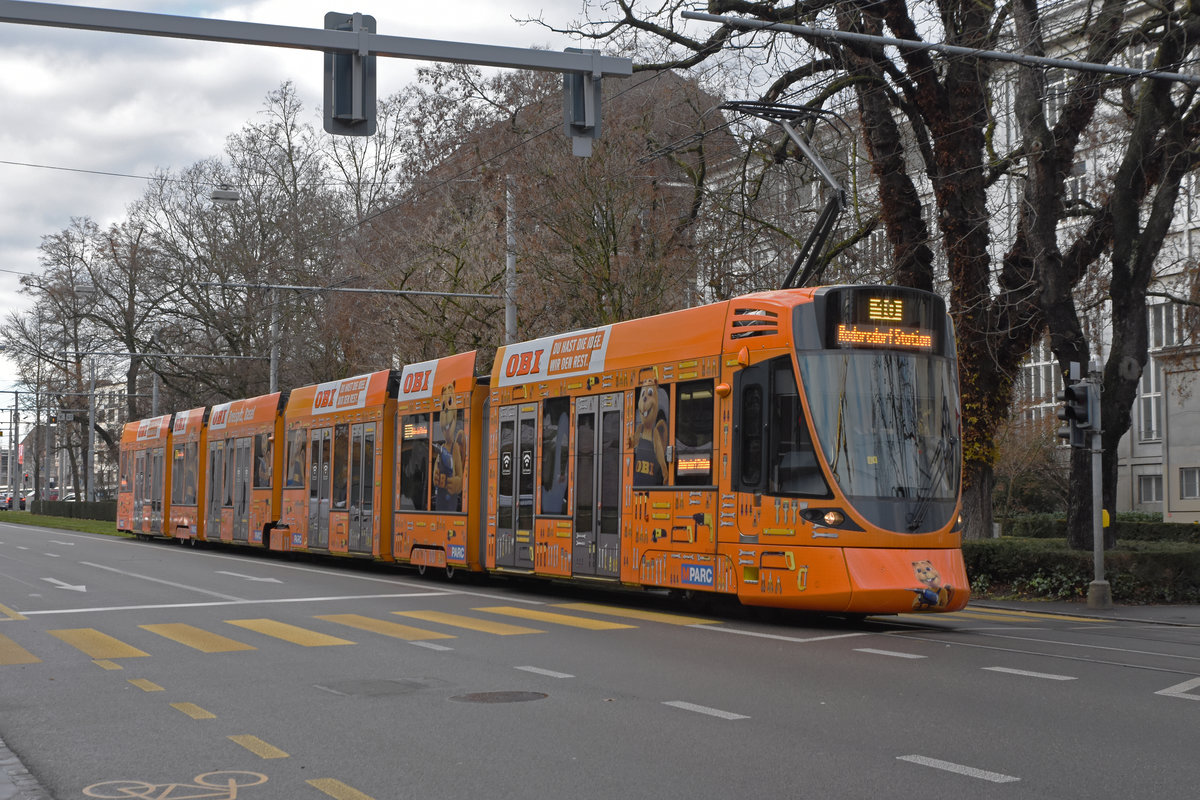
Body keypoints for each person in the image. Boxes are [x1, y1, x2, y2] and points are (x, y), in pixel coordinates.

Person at [630, 368, 669, 486]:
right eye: (643, 395)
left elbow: (660, 455)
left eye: (649, 393)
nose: (645, 398)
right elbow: (633, 444)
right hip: (638, 480)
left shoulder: (655, 433)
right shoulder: (640, 429)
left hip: (650, 481)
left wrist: (665, 473)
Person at [432, 383, 467, 511]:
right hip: (441, 496)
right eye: (443, 407)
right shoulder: (442, 447)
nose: (445, 411)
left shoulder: (455, 448)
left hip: (451, 499)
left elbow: (459, 474)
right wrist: (436, 477)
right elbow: (436, 469)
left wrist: (456, 483)